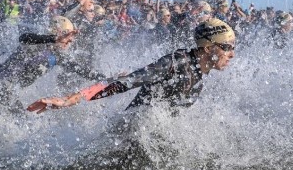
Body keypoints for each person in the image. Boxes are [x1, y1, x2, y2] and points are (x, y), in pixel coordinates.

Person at [27, 17, 236, 114]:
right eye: (227, 47)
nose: (232, 54)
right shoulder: (177, 62)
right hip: (127, 140)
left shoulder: (199, 74)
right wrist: (68, 100)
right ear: (208, 48)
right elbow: (126, 82)